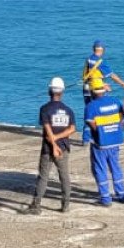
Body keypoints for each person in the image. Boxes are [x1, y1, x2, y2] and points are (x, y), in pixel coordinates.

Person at [31, 77, 75, 214]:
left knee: (43, 176)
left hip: (48, 148)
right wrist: (58, 139)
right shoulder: (68, 110)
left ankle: (36, 205)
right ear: (62, 92)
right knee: (64, 176)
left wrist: (54, 143)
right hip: (64, 148)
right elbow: (72, 129)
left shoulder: (45, 109)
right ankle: (65, 205)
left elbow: (47, 128)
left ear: (50, 90)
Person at [84, 81, 124, 206]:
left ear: (92, 91)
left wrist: (101, 132)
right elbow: (122, 120)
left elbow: (91, 124)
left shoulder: (91, 106)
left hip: (100, 143)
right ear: (104, 89)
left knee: (100, 169)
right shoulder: (116, 101)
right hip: (115, 141)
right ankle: (121, 194)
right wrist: (115, 131)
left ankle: (105, 198)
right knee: (116, 167)